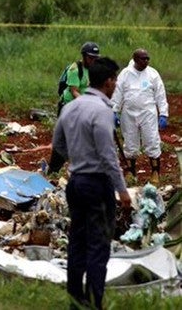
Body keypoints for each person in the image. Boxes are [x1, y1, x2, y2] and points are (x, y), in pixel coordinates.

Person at [53, 57, 131, 310]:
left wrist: (77, 159)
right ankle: (95, 301)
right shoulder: (102, 111)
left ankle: (75, 300)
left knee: (77, 241)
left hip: (75, 182)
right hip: (97, 184)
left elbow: (59, 146)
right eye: (115, 80)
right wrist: (122, 191)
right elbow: (109, 156)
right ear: (108, 82)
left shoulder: (70, 108)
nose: (116, 84)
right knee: (98, 244)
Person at [111, 48, 169, 185]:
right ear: (136, 59)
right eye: (143, 59)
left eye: (148, 58)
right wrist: (114, 111)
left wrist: (163, 114)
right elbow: (117, 92)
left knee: (152, 140)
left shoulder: (152, 74)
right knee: (130, 142)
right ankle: (131, 172)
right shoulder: (125, 74)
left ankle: (155, 172)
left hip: (148, 112)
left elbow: (160, 94)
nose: (147, 61)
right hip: (129, 113)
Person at [46, 41, 101, 175]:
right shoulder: (75, 69)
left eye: (95, 58)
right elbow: (74, 90)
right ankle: (53, 170)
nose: (93, 60)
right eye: (90, 58)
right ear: (83, 56)